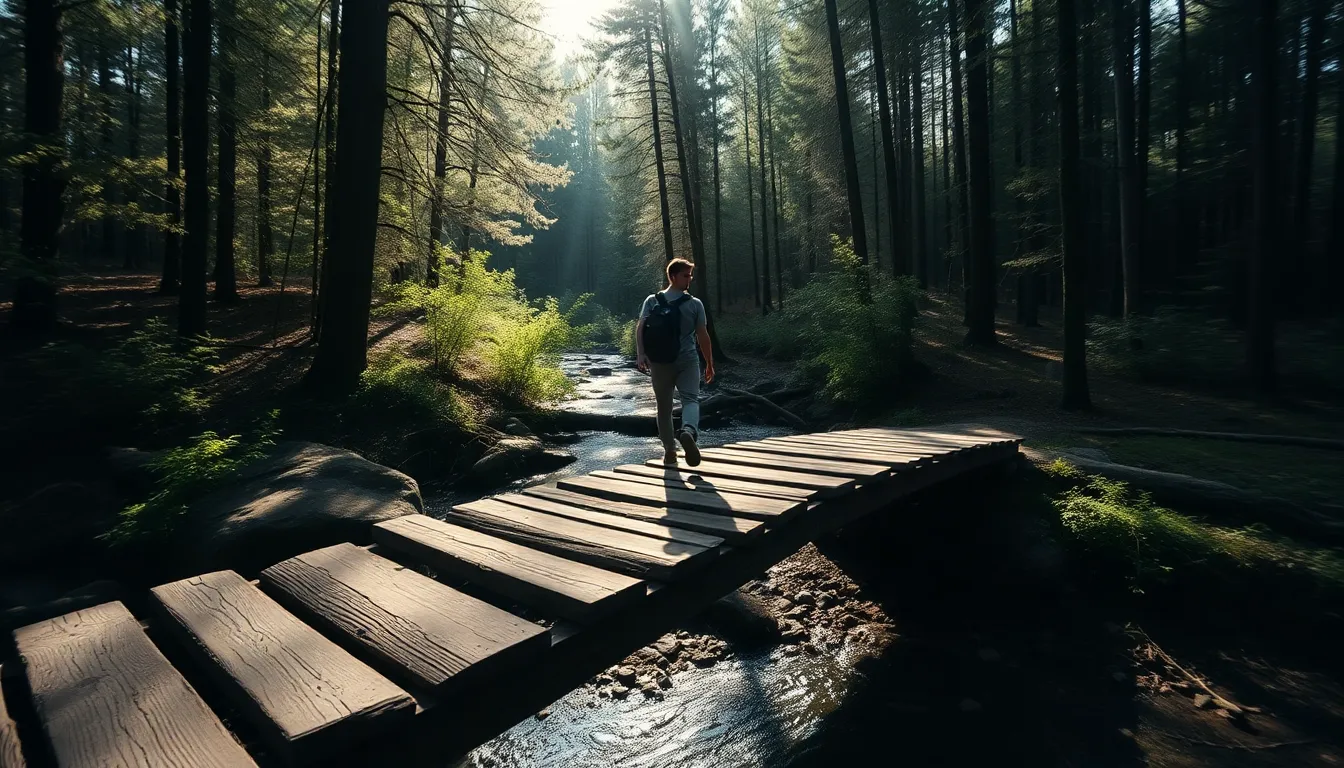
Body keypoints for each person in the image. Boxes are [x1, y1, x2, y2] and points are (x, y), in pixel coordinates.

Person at [636, 258, 715, 466]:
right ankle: (688, 431)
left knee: (664, 407)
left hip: (659, 361)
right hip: (687, 359)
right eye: (685, 275)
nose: (689, 279)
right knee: (690, 399)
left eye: (690, 275)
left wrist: (641, 354)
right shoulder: (695, 304)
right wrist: (709, 363)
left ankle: (670, 450)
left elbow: (641, 328)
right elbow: (702, 335)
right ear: (672, 276)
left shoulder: (652, 301)